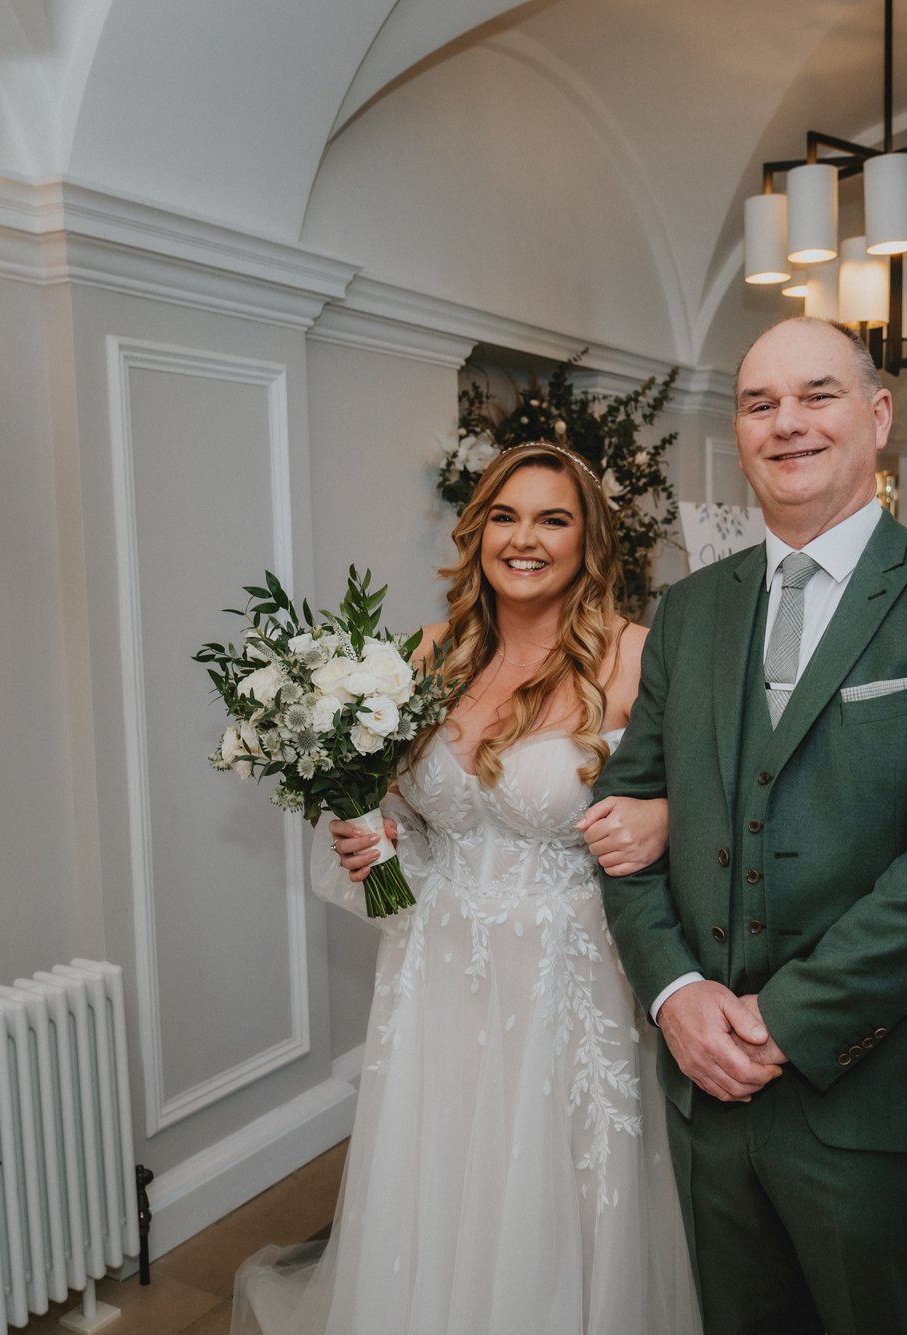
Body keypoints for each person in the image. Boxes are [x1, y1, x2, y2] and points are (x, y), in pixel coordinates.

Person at [595, 315, 907, 1335]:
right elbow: (616, 817)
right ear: (739, 433)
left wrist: (782, 1022)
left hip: (876, 1088)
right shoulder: (690, 611)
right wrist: (671, 995)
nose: (785, 423)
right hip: (708, 1090)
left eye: (815, 395)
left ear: (876, 416)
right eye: (759, 404)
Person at [231, 441, 702, 1335]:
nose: (525, 538)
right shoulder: (428, 652)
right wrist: (377, 839)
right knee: (442, 1172)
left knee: (551, 1182)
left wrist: (667, 814)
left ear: (588, 540)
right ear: (479, 529)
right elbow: (412, 823)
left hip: (567, 973)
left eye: (553, 519)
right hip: (434, 964)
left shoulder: (634, 657)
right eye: (507, 515)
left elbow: (715, 800)